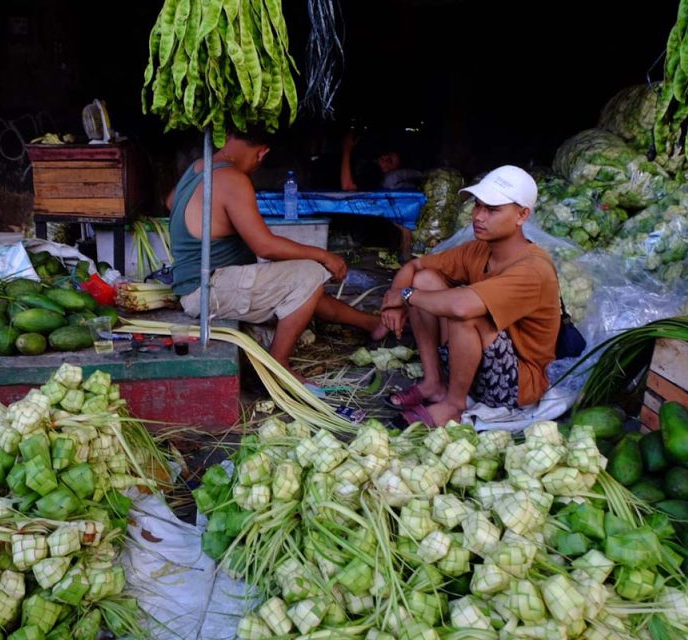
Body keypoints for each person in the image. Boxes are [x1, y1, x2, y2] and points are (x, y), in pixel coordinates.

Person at [167, 128, 387, 376]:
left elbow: (171, 202)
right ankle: (278, 365)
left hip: (192, 284)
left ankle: (372, 324)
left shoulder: (199, 166)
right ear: (262, 153)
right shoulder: (233, 179)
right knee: (310, 272)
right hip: (208, 290)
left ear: (227, 137)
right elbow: (265, 246)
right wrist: (323, 255)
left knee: (305, 289)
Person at [379, 165, 560, 426]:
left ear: (522, 215)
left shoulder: (534, 269)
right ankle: (433, 384)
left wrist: (405, 295)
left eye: (492, 210)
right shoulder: (478, 250)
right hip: (470, 366)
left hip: (515, 384)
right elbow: (415, 267)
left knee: (464, 312)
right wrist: (394, 304)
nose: (479, 217)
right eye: (478, 206)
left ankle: (454, 405)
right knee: (426, 280)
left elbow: (463, 308)